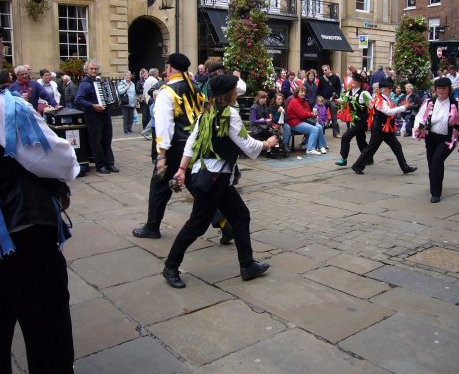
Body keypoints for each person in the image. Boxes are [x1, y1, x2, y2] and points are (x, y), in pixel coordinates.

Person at [0, 15, 78, 373]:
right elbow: (59, 161)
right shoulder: (3, 104)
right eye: (2, 49)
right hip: (21, 236)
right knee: (48, 334)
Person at [162, 74, 278, 288]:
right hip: (214, 179)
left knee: (241, 216)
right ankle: (170, 266)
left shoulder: (206, 112)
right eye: (234, 89)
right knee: (197, 225)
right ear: (228, 93)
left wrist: (182, 169)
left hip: (216, 177)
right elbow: (248, 145)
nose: (237, 92)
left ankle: (247, 265)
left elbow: (190, 142)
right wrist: (268, 143)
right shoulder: (229, 115)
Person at [131, 53, 234, 243]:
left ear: (169, 69)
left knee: (159, 188)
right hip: (193, 144)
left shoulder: (167, 92)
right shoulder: (193, 87)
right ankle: (224, 223)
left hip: (175, 148)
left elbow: (164, 126)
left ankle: (152, 227)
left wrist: (161, 155)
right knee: (197, 188)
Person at [414, 78, 459, 203]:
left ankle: (436, 193)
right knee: (431, 163)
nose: (441, 91)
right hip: (431, 138)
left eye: (444, 88)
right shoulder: (429, 102)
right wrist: (419, 127)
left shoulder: (456, 105)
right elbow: (420, 117)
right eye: (439, 88)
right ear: (435, 89)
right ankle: (434, 185)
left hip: (448, 139)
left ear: (449, 89)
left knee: (437, 161)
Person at [351, 80, 417, 175]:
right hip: (379, 129)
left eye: (391, 89)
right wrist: (404, 107)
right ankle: (357, 165)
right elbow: (388, 112)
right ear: (384, 90)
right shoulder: (379, 99)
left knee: (397, 146)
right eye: (390, 89)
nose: (391, 90)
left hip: (386, 128)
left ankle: (405, 167)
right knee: (371, 148)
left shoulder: (386, 98)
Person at [74, 59, 118, 174]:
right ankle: (100, 165)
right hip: (93, 116)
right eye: (91, 69)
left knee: (107, 139)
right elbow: (78, 100)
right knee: (96, 141)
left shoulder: (100, 82)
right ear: (86, 70)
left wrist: (112, 101)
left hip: (105, 114)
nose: (94, 71)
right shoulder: (84, 84)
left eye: (95, 69)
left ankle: (110, 163)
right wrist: (93, 106)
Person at [335, 72, 372, 167]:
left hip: (362, 120)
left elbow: (372, 106)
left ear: (360, 83)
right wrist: (336, 100)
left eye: (356, 80)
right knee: (361, 140)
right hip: (354, 120)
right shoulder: (349, 92)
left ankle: (343, 159)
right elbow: (344, 101)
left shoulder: (364, 93)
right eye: (353, 80)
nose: (354, 82)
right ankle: (369, 158)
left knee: (346, 137)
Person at [287, 86, 327, 155]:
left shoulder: (304, 101)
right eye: (301, 92)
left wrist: (313, 114)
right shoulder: (294, 102)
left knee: (319, 127)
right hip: (295, 123)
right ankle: (310, 149)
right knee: (314, 129)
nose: (303, 93)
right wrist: (311, 114)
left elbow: (307, 112)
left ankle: (321, 147)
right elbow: (301, 114)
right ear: (297, 93)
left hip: (304, 121)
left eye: (304, 92)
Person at [318, 64, 342, 138]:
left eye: (326, 70)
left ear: (329, 69)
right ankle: (322, 133)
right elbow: (319, 89)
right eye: (323, 71)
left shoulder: (336, 78)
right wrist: (321, 97)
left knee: (334, 118)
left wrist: (334, 97)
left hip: (332, 100)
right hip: (324, 99)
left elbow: (338, 89)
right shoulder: (322, 78)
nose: (324, 72)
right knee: (322, 116)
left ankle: (336, 133)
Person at [117, 70, 137, 134]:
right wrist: (125, 89)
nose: (128, 76)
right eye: (127, 75)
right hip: (125, 103)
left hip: (131, 103)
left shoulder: (132, 84)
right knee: (126, 118)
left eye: (129, 75)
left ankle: (129, 129)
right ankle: (126, 130)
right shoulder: (122, 83)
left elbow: (134, 93)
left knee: (131, 118)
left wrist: (135, 102)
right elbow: (119, 92)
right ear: (124, 76)